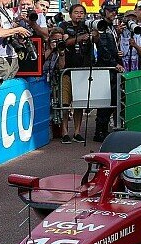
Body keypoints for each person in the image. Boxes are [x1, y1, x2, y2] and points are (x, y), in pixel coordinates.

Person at [58, 3, 92, 144]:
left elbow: (94, 40)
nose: (79, 15)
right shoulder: (64, 26)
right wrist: (81, 38)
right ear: (70, 14)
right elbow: (65, 43)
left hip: (83, 70)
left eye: (81, 12)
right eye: (76, 12)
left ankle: (77, 132)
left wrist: (93, 35)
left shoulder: (88, 26)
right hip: (67, 69)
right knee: (65, 103)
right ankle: (65, 132)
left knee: (79, 103)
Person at [93, 1, 122, 142]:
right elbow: (103, 49)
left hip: (112, 67)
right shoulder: (101, 25)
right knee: (106, 101)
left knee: (113, 100)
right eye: (110, 10)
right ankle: (100, 132)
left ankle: (103, 131)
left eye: (115, 10)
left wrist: (118, 55)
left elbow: (111, 47)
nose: (113, 13)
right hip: (106, 69)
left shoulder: (112, 27)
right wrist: (114, 63)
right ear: (103, 11)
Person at [0, 0, 31, 79]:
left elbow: (9, 30)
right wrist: (18, 30)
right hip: (0, 58)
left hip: (12, 55)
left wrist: (19, 34)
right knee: (1, 88)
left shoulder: (6, 11)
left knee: (10, 88)